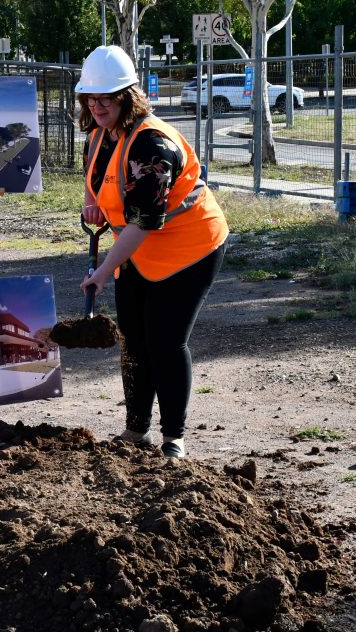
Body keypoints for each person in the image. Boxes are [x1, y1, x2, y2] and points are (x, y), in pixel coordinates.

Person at [76, 46, 228, 459]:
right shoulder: (99, 136)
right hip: (138, 250)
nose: (97, 105)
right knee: (134, 341)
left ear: (128, 96)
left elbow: (144, 219)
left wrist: (104, 269)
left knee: (164, 341)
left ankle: (173, 437)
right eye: (91, 97)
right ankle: (135, 430)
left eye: (106, 98)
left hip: (189, 247)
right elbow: (96, 177)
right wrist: (92, 199)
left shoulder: (154, 147)